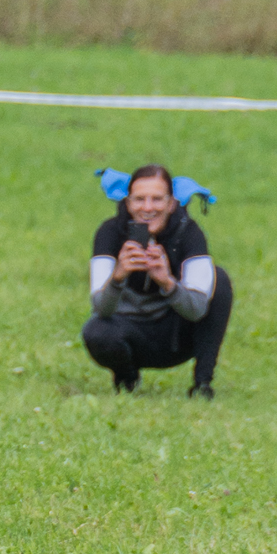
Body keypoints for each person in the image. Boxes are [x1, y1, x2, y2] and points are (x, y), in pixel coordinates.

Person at [82, 163, 233, 399]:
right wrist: (118, 276)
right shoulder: (109, 233)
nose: (148, 208)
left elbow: (197, 310)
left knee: (219, 279)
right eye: (139, 199)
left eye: (157, 199)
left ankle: (202, 384)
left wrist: (167, 282)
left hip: (176, 337)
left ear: (172, 203)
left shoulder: (188, 234)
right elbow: (101, 309)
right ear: (127, 203)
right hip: (128, 333)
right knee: (95, 331)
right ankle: (126, 377)